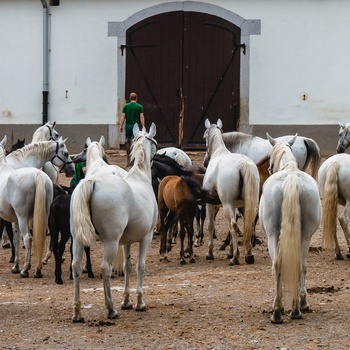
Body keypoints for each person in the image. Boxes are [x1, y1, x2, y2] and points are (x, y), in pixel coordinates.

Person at [119, 92, 145, 163]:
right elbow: (141, 117)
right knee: (135, 141)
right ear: (136, 98)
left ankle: (128, 156)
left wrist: (121, 125)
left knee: (128, 140)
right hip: (136, 126)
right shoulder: (139, 107)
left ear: (130, 98)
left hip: (128, 125)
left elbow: (123, 116)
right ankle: (134, 156)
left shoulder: (126, 106)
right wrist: (143, 126)